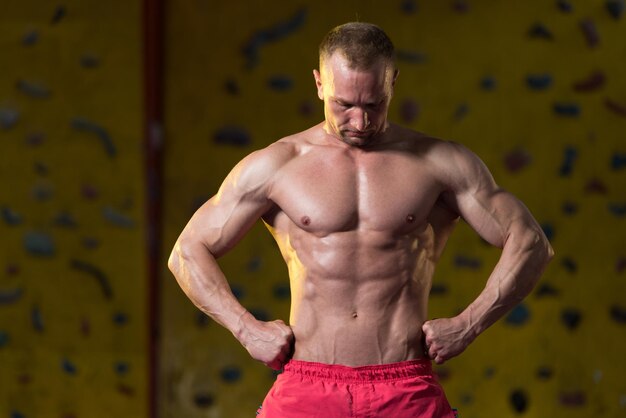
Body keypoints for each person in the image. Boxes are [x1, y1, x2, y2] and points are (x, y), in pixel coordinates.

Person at [168, 22, 554, 418]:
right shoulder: (277, 165)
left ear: (393, 83)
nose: (360, 122)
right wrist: (246, 328)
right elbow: (186, 251)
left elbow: (530, 242)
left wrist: (469, 323)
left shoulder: (439, 163)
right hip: (307, 385)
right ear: (319, 84)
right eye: (343, 105)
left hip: (405, 385)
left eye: (373, 105)